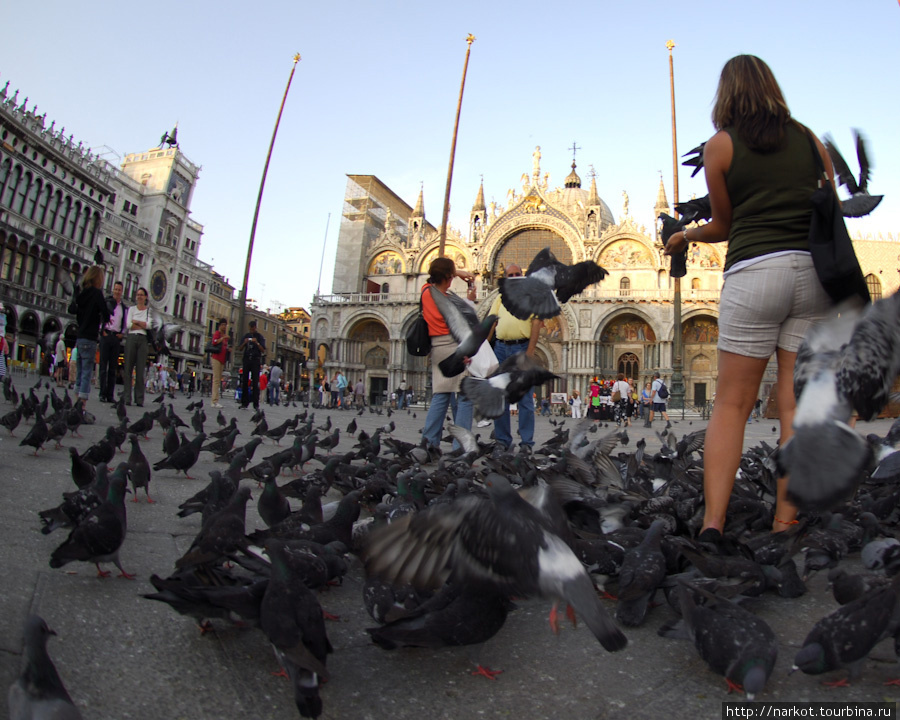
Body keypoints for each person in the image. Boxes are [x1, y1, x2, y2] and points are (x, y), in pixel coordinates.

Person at [663, 55, 833, 537]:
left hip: (755, 272)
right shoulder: (810, 141)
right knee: (794, 407)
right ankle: (785, 520)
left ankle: (713, 524)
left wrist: (686, 237)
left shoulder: (721, 146)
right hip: (812, 276)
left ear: (727, 95)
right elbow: (832, 208)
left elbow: (724, 224)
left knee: (732, 404)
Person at [420, 256, 476, 451]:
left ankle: (428, 444)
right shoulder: (448, 302)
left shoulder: (426, 292)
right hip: (454, 346)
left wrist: (455, 272)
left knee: (441, 395)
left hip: (437, 348)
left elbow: (432, 282)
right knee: (464, 397)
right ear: (447, 277)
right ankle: (460, 448)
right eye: (451, 276)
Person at [487, 263, 543, 451]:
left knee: (525, 398)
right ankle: (502, 440)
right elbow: (492, 323)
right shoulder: (500, 297)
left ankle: (526, 443)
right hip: (501, 349)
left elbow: (536, 323)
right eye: (510, 275)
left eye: (517, 274)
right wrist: (484, 347)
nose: (514, 277)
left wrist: (530, 351)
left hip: (521, 348)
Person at [70, 265, 111, 408]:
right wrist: (104, 319)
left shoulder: (83, 293)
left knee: (80, 372)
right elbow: (106, 313)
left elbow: (75, 309)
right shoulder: (96, 293)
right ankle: (81, 406)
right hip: (90, 337)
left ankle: (76, 402)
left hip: (80, 337)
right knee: (87, 372)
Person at [98, 280, 127, 403]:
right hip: (106, 334)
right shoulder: (107, 302)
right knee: (103, 366)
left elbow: (125, 323)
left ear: (122, 291)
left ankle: (110, 395)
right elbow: (101, 316)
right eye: (116, 289)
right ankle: (102, 393)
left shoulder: (123, 308)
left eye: (119, 290)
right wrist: (102, 331)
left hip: (116, 337)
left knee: (113, 368)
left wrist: (122, 334)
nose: (117, 291)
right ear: (113, 290)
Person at [120, 287, 150, 406]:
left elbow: (148, 326)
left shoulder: (148, 311)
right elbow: (128, 325)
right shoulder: (131, 309)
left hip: (143, 340)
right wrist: (141, 325)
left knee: (140, 369)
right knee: (128, 369)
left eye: (142, 295)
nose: (139, 297)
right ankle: (127, 397)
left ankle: (139, 399)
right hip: (131, 338)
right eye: (138, 294)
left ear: (145, 297)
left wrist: (136, 322)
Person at [237, 320, 266, 410]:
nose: (251, 330)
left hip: (255, 360)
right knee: (245, 381)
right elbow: (240, 348)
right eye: (250, 329)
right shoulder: (246, 336)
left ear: (255, 328)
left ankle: (255, 404)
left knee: (255, 381)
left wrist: (256, 343)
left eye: (253, 329)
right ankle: (244, 403)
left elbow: (263, 350)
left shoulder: (259, 337)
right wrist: (245, 342)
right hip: (247, 359)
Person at [210, 319, 229, 408]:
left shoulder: (224, 335)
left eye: (225, 325)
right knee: (216, 380)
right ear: (220, 325)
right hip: (216, 358)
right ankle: (214, 401)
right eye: (223, 325)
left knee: (218, 379)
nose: (224, 327)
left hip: (222, 359)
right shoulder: (218, 333)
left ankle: (215, 400)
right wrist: (223, 338)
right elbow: (214, 342)